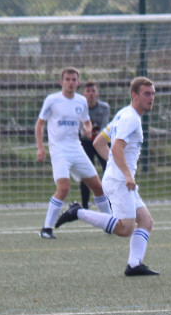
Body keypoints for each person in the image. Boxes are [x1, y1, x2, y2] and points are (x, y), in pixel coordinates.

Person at [55, 77, 159, 276]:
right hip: (121, 182)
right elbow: (117, 146)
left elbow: (99, 143)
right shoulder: (131, 118)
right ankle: (78, 212)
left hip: (118, 178)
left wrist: (113, 164)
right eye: (147, 93)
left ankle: (134, 265)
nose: (151, 98)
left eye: (153, 93)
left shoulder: (123, 114)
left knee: (146, 221)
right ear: (134, 95)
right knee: (125, 228)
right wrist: (127, 174)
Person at [35, 67, 110, 239]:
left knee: (98, 187)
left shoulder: (81, 101)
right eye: (67, 79)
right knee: (63, 188)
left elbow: (86, 122)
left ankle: (109, 223)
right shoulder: (52, 100)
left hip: (76, 148)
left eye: (74, 79)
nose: (71, 82)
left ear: (78, 82)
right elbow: (40, 124)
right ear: (61, 82)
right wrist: (41, 147)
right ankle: (46, 228)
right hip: (59, 150)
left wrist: (87, 129)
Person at [78, 80, 111, 209]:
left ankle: (110, 202)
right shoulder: (80, 108)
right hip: (85, 143)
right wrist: (87, 132)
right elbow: (81, 130)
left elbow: (104, 127)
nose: (91, 94)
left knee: (108, 170)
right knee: (86, 173)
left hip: (101, 142)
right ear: (83, 93)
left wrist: (95, 135)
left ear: (97, 92)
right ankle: (85, 204)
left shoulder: (104, 108)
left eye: (93, 91)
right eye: (88, 91)